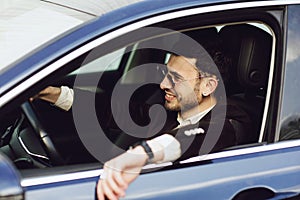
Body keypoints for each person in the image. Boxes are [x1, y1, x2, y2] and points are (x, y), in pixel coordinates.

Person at [33, 41, 252, 200]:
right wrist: (49, 93)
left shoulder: (231, 121)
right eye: (165, 74)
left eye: (175, 79)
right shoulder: (166, 111)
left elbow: (192, 137)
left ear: (208, 86)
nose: (164, 85)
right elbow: (113, 110)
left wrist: (139, 154)